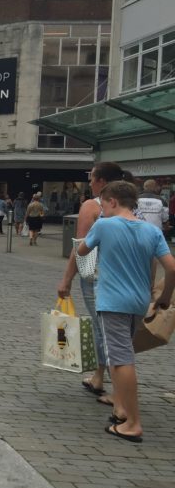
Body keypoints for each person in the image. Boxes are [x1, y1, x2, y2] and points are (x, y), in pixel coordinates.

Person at [74, 180, 174, 442]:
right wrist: (163, 297)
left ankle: (132, 422)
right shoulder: (151, 231)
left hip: (112, 301)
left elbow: (82, 250)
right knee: (124, 353)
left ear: (113, 202)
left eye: (104, 204)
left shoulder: (105, 225)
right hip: (139, 301)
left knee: (120, 360)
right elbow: (171, 267)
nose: (103, 209)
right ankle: (120, 410)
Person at [56, 162, 125, 401]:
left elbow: (80, 247)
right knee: (116, 331)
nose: (89, 182)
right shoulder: (129, 206)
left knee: (103, 330)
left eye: (92, 177)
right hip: (126, 277)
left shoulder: (91, 206)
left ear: (102, 182)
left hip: (97, 276)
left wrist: (66, 280)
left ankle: (117, 391)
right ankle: (99, 376)